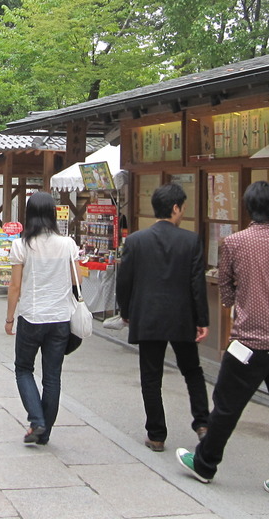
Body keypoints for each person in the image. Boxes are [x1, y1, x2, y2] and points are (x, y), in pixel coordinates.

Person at [177, 180, 269, 504]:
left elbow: (226, 289)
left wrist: (241, 301)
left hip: (248, 342)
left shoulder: (233, 243)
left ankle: (205, 463)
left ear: (248, 207)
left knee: (226, 405)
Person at [116, 182, 210, 453]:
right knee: (192, 371)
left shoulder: (136, 240)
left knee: (151, 376)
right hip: (182, 317)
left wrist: (127, 312)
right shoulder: (191, 240)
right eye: (182, 208)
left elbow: (124, 281)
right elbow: (197, 284)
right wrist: (201, 319)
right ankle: (203, 423)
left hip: (148, 316)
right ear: (175, 208)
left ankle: (156, 434)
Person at [4, 191, 80, 446]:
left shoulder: (21, 245)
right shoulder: (67, 244)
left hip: (32, 316)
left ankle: (37, 421)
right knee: (52, 377)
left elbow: (15, 286)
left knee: (23, 369)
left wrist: (9, 317)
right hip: (60, 319)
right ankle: (44, 432)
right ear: (52, 214)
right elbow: (75, 280)